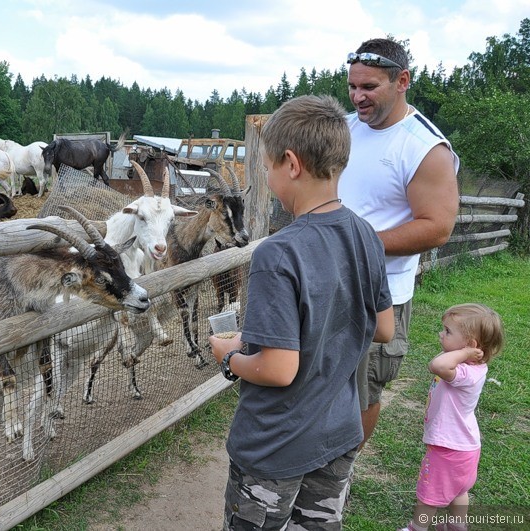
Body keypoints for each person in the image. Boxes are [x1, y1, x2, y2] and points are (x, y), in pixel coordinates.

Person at [208, 94, 394, 530]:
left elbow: (278, 370)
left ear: (290, 163)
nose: (269, 178)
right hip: (339, 433)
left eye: (268, 167)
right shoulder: (366, 233)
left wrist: (230, 357)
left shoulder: (279, 253)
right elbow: (383, 327)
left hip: (276, 446)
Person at [339, 38, 461, 448]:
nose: (358, 97)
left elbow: (437, 228)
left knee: (363, 390)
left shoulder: (424, 147)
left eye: (369, 87)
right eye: (353, 86)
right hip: (329, 282)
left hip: (379, 297)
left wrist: (356, 242)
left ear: (402, 81)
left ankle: (341, 474)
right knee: (319, 380)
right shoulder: (344, 128)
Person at [401, 303, 505, 531]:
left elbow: (435, 364)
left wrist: (463, 353)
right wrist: (462, 352)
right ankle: (457, 525)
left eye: (447, 331)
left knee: (428, 496)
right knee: (460, 491)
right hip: (466, 446)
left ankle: (416, 528)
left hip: (448, 448)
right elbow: (444, 358)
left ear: (470, 346)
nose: (441, 334)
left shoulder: (465, 373)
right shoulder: (476, 367)